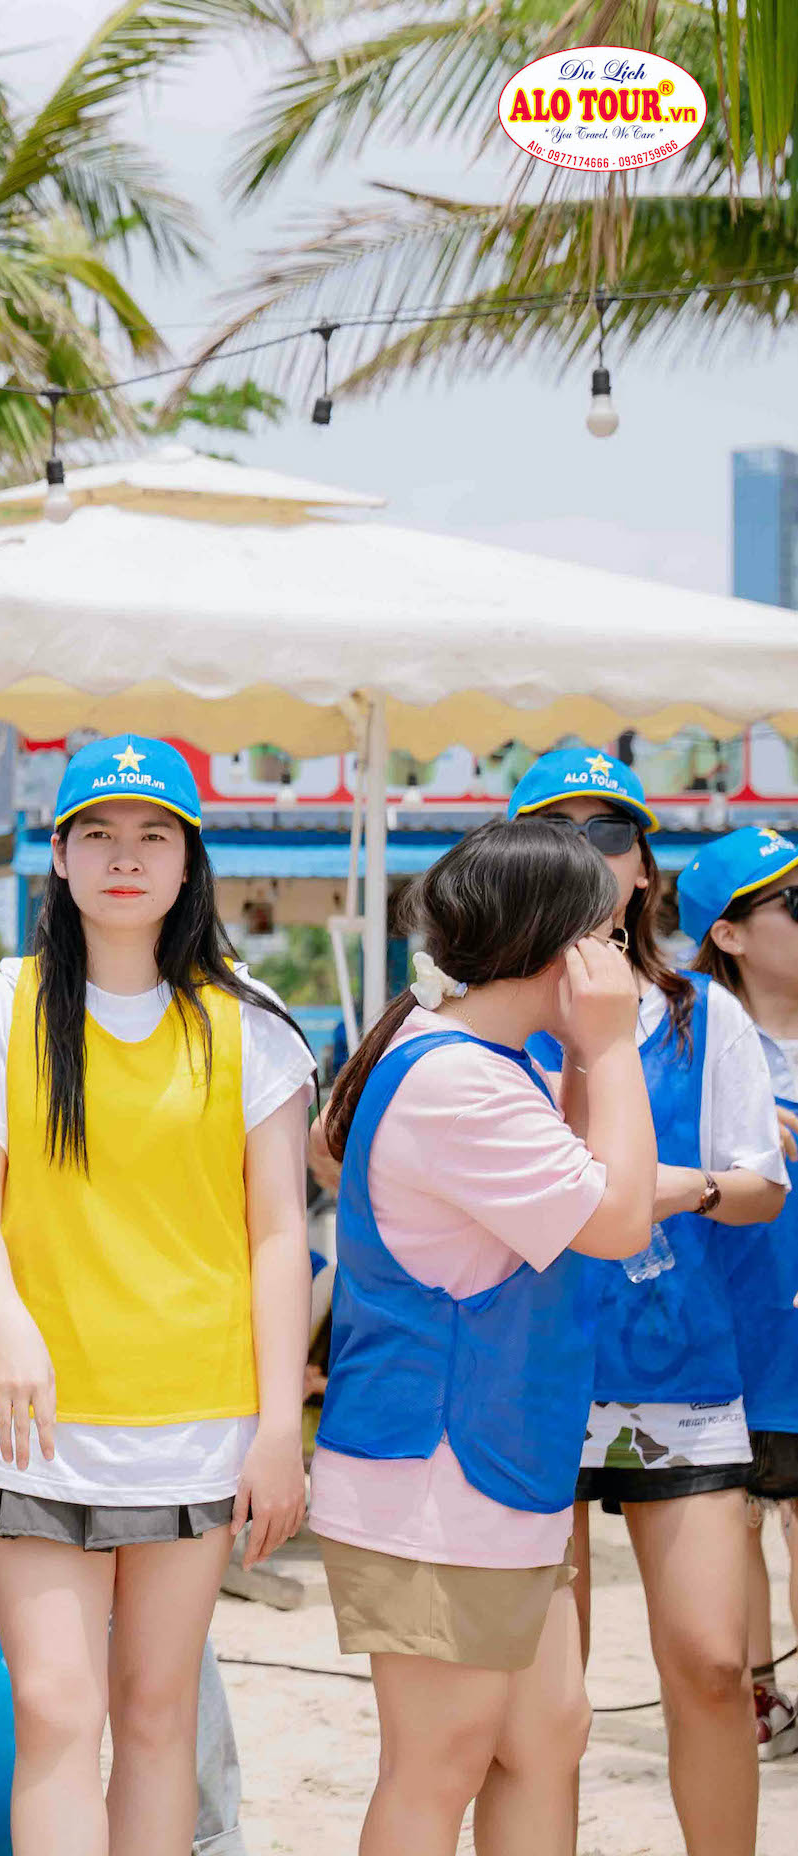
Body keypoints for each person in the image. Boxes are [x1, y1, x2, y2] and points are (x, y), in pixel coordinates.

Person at [0, 734, 313, 1856]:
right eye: (95, 832)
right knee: (57, 1707)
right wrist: (8, 1322)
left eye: (153, 834)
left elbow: (278, 1232)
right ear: (57, 855)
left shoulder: (248, 1020)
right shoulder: (3, 1005)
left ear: (188, 859)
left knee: (157, 1713)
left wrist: (279, 1429)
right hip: (33, 1418)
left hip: (195, 1419)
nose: (124, 856)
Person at [310, 819, 658, 1856]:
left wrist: (587, 1058)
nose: (617, 962)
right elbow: (617, 1217)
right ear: (555, 945)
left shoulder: (479, 1059)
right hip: (437, 1472)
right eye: (606, 937)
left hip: (491, 1468)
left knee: (546, 1734)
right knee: (440, 1761)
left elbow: (594, 1180)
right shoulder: (456, 1079)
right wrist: (611, 1045)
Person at [504, 745, 788, 1856]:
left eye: (611, 831)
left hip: (677, 1368)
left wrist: (688, 1188)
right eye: (559, 829)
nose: (588, 852)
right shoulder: (479, 1011)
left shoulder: (702, 1014)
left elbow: (761, 1185)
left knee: (712, 1664)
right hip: (523, 1375)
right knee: (543, 1701)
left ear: (641, 867)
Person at [676, 825, 798, 1760]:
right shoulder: (691, 1041)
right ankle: (758, 1696)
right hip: (734, 1319)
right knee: (738, 1514)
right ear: (727, 934)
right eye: (793, 903)